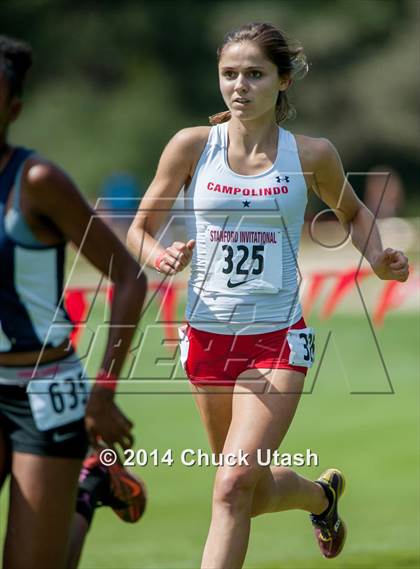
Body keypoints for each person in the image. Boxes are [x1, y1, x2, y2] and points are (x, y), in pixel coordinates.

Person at [127, 22, 409, 569]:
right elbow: (139, 229)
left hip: (277, 341)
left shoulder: (311, 155)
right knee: (245, 491)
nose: (239, 85)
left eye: (254, 74)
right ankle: (321, 498)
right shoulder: (190, 146)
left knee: (231, 487)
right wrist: (158, 257)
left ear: (282, 81)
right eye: (229, 74)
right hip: (206, 335)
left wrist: (378, 258)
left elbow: (352, 213)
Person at [0, 36, 147, 569]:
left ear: (13, 108)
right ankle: (89, 489)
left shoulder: (37, 182)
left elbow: (130, 277)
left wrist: (103, 391)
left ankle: (86, 488)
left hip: (44, 390)